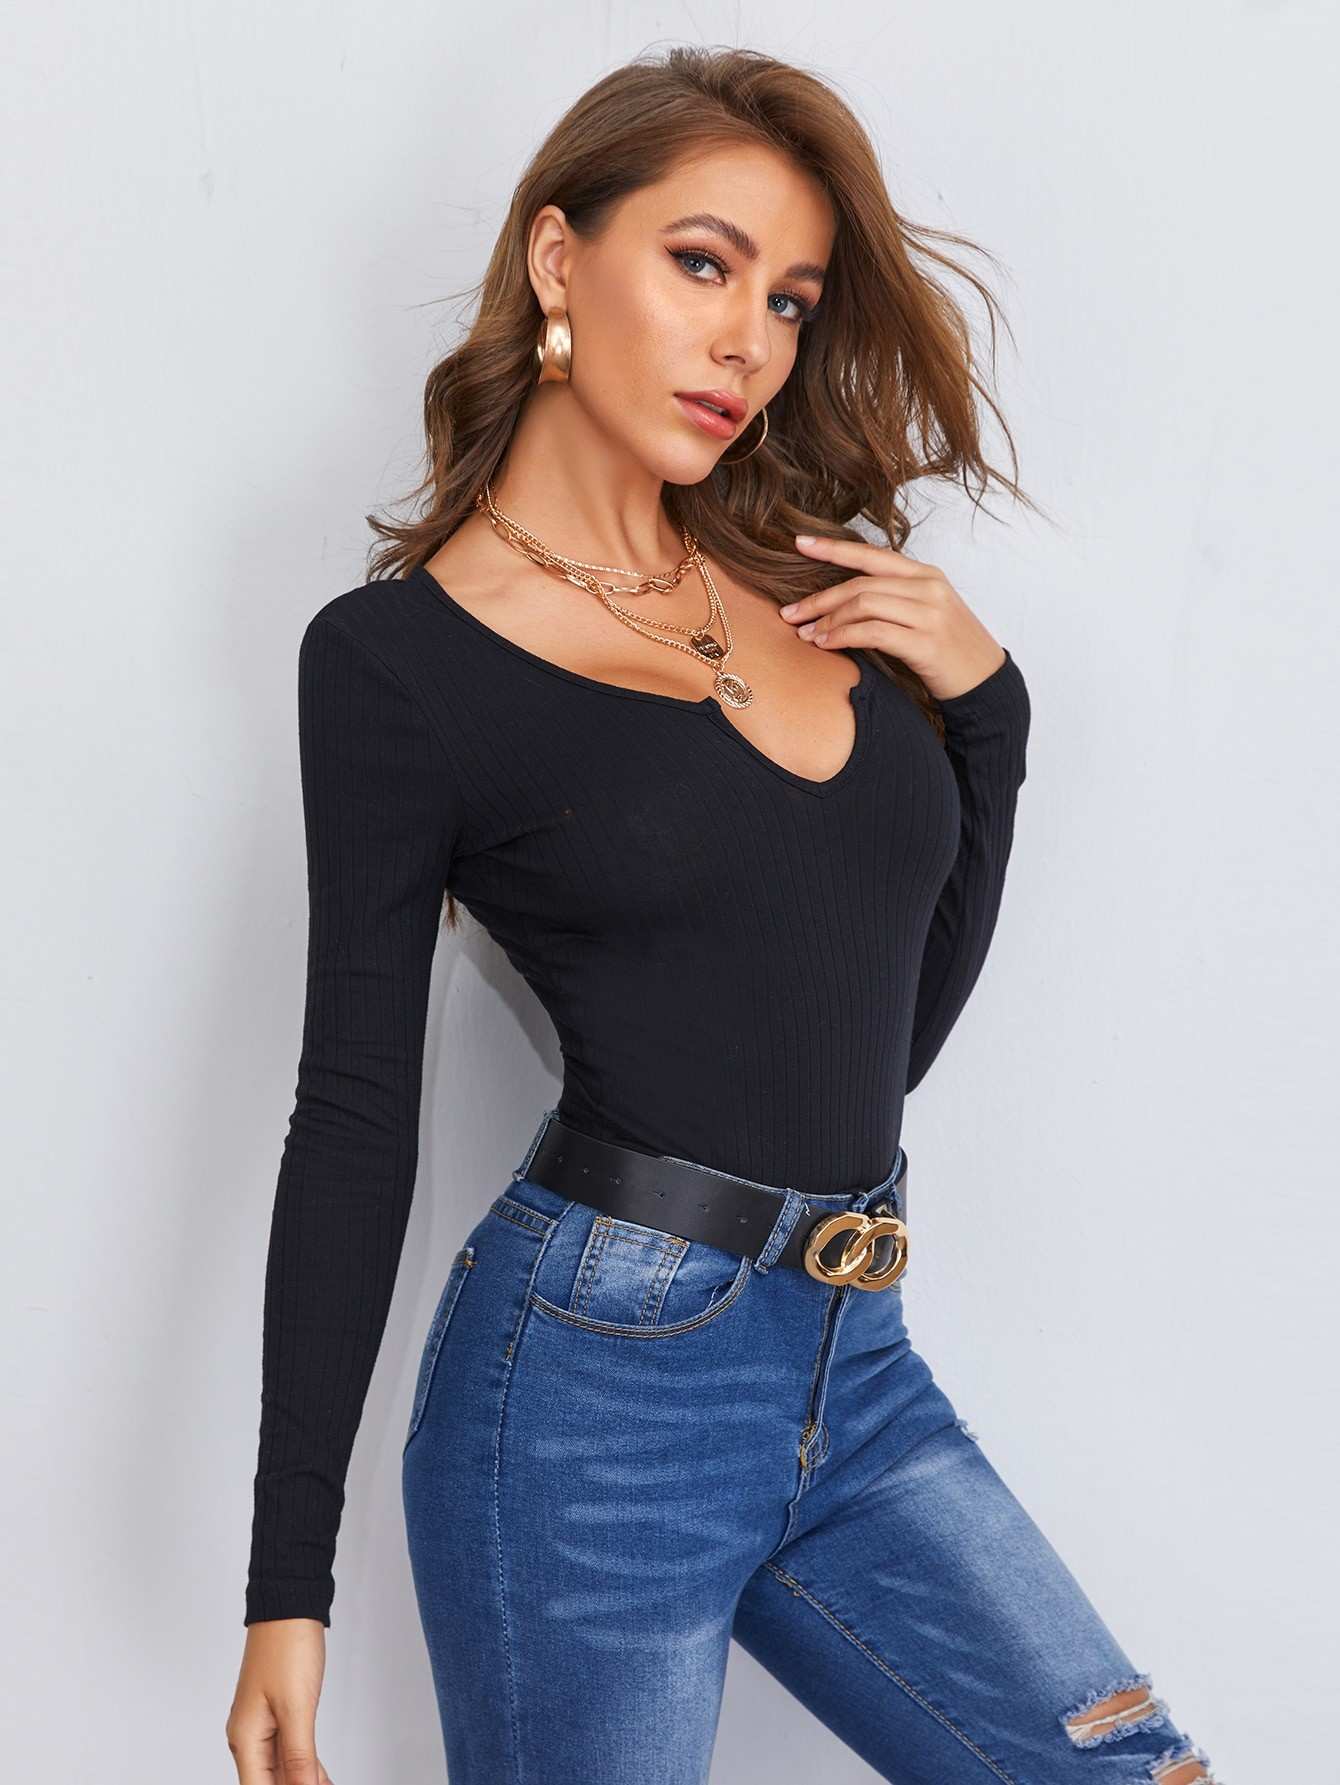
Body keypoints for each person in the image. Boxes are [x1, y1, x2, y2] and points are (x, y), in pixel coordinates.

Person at [226, 45, 1219, 1785]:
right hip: (588, 1397)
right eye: (703, 262)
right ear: (558, 258)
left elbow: (877, 1044)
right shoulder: (398, 665)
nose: (750, 340)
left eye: (790, 299)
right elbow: (355, 1111)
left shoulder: (811, 587)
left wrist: (991, 712)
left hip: (860, 1361)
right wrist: (284, 1586)